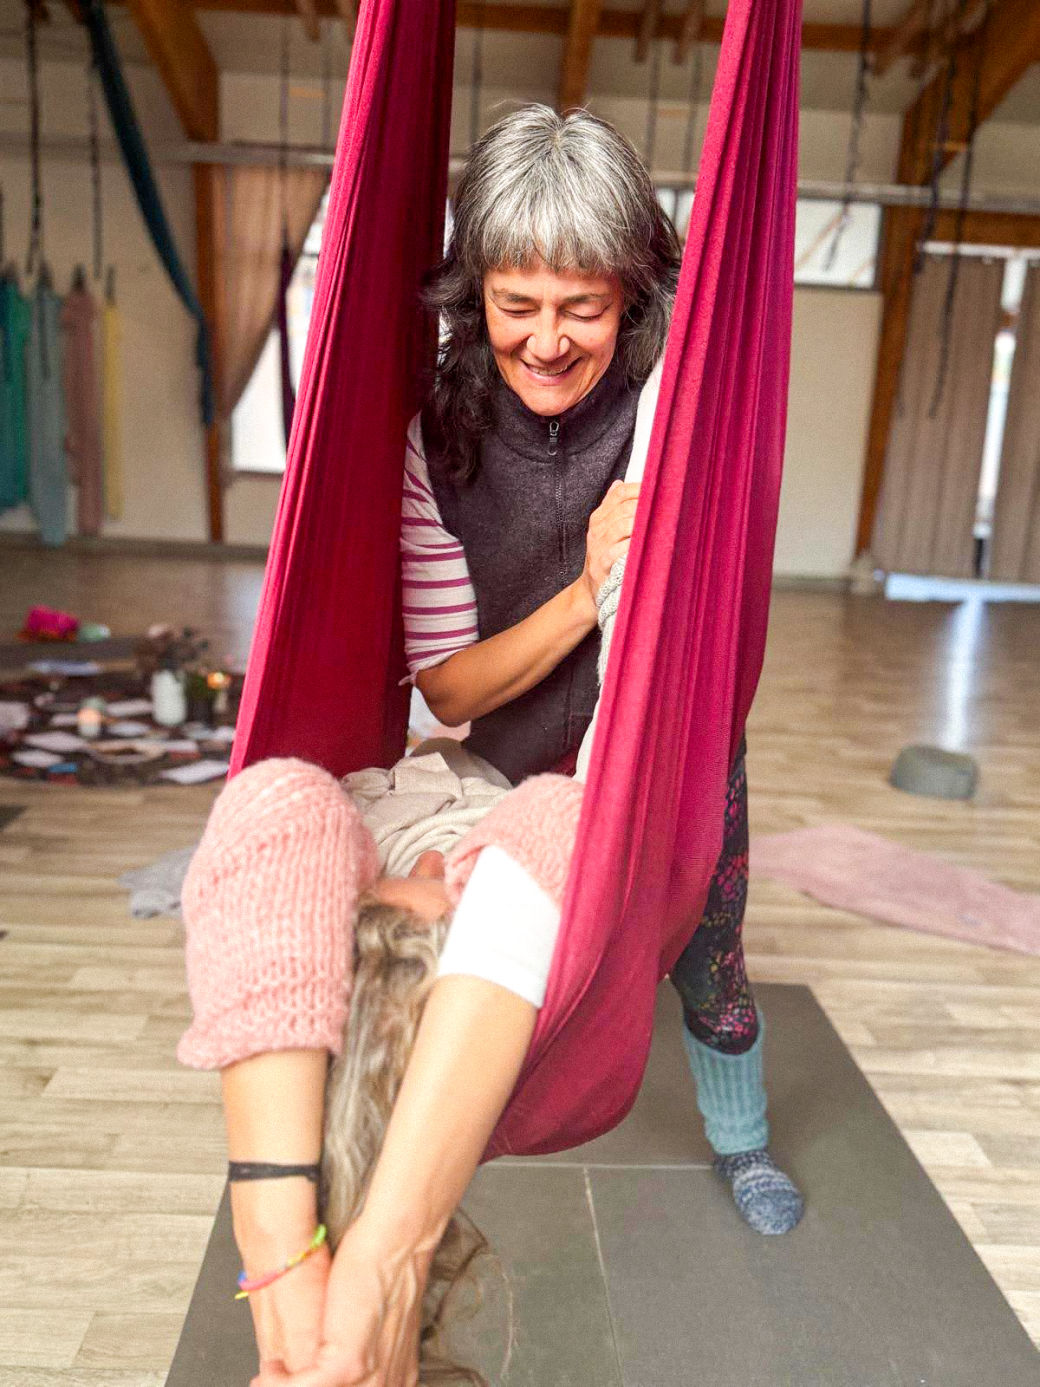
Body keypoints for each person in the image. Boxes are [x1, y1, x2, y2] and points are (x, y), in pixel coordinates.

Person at [179, 104, 803, 1386]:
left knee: (714, 970)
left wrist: (661, 550)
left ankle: (741, 1139)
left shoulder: (672, 420)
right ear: (475, 297)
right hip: (496, 765)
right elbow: (450, 687)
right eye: (516, 303)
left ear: (632, 298)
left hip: (655, 773)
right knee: (288, 800)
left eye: (583, 306)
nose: (546, 338)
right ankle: (284, 1248)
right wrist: (584, 591)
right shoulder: (440, 443)